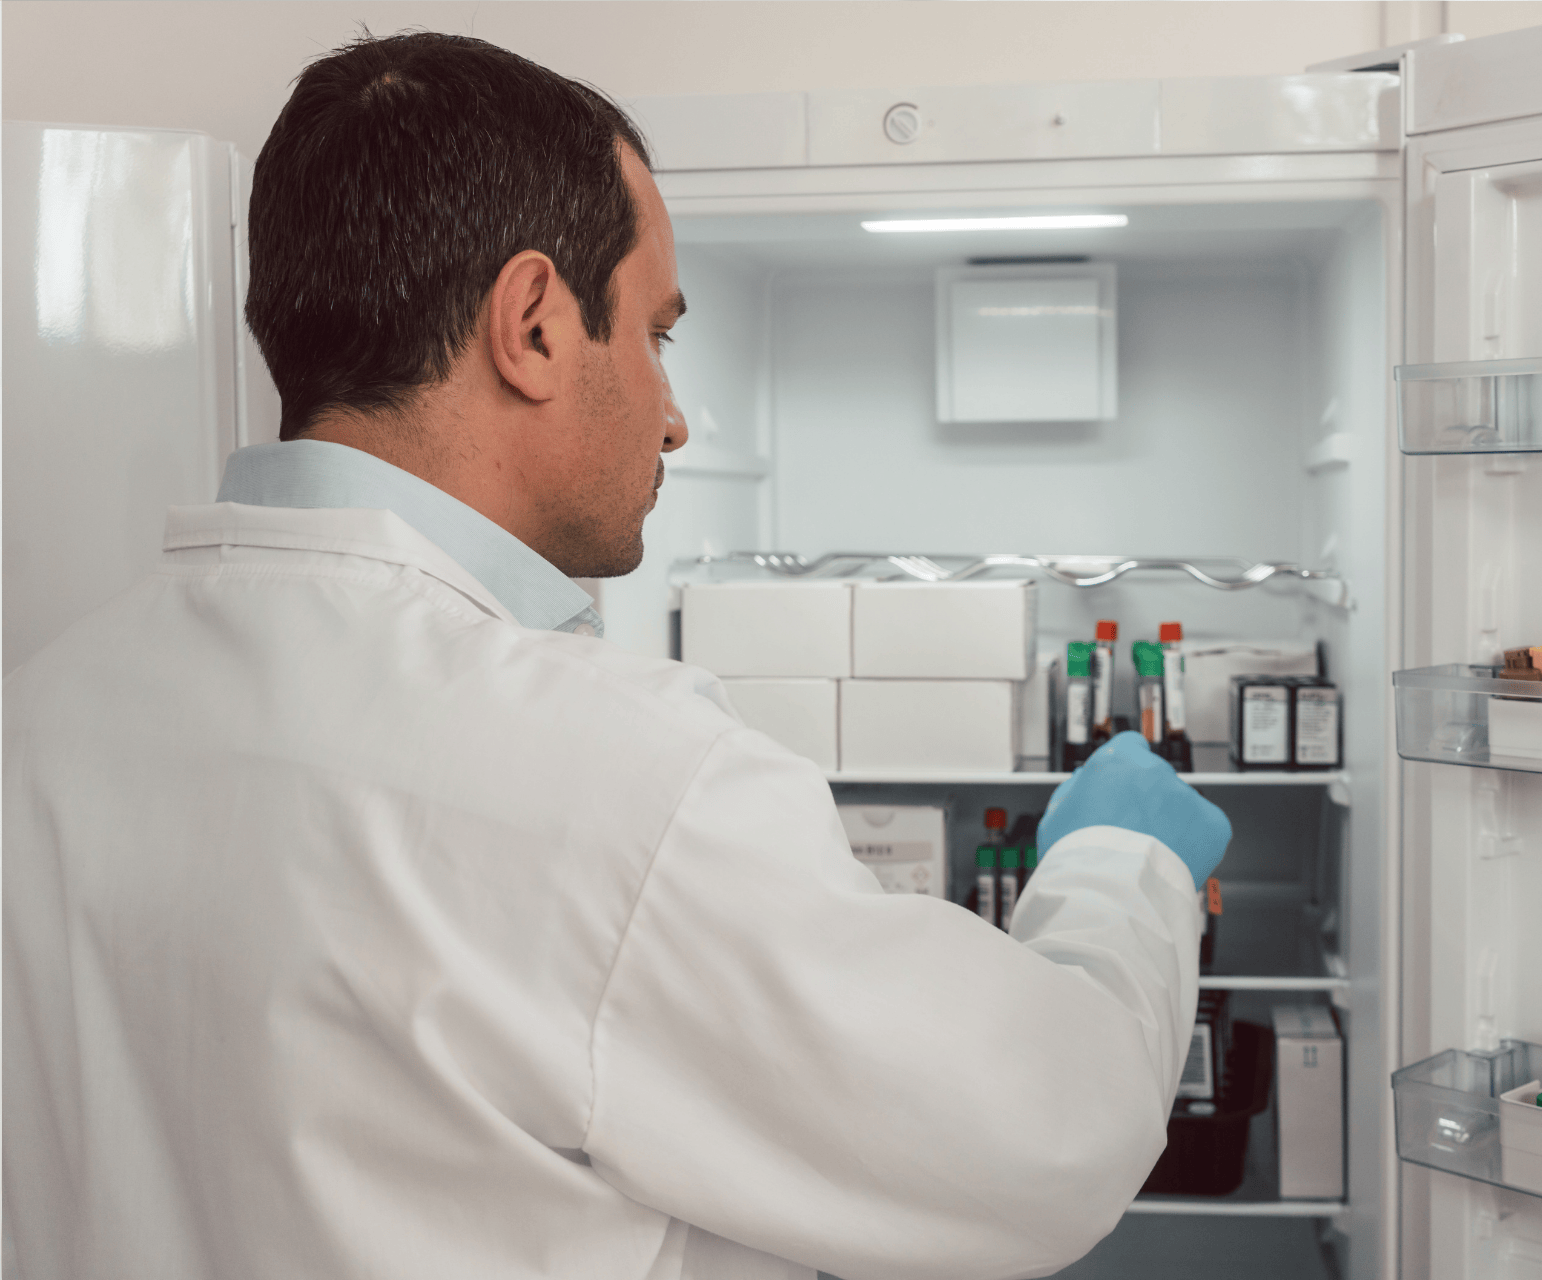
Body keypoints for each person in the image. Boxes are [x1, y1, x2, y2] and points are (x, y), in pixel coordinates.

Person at [2, 32, 1230, 1280]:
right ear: (531, 324)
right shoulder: (617, 781)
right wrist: (1120, 860)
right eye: (656, 332)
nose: (675, 410)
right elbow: (1045, 1131)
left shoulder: (40, 721)